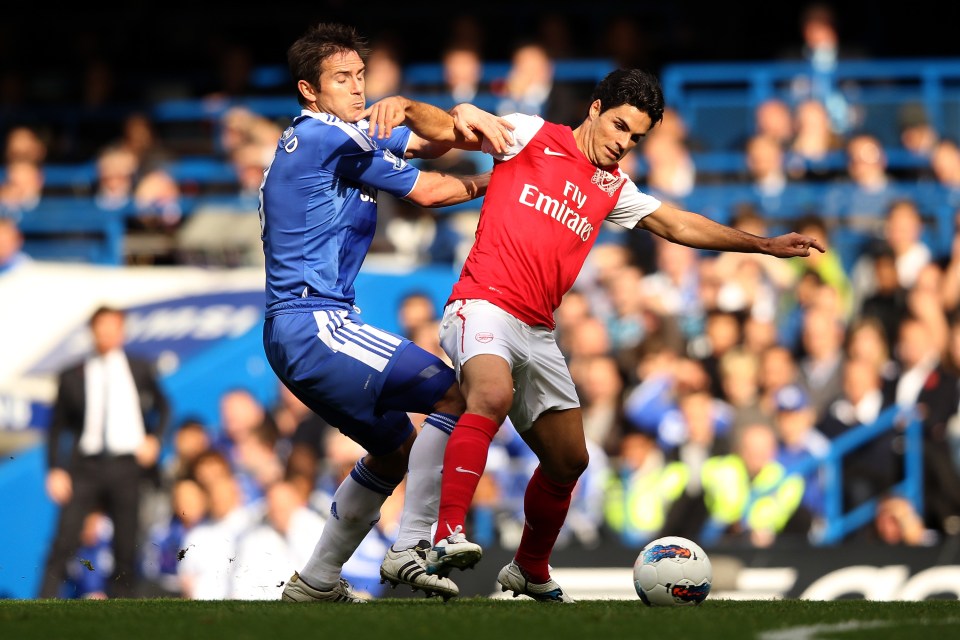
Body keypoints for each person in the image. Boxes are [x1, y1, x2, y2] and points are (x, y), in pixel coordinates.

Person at [376, 67, 825, 602]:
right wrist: (407, 105)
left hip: (539, 331)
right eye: (618, 126)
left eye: (636, 138)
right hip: (482, 306)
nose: (623, 143)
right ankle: (446, 535)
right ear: (593, 109)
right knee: (490, 394)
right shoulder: (528, 135)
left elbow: (678, 224)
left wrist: (763, 245)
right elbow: (451, 129)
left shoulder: (612, 187)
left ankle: (529, 568)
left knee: (570, 460)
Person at [259, 22, 513, 604]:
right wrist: (501, 180)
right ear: (308, 90)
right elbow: (429, 190)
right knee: (450, 393)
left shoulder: (328, 137)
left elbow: (430, 143)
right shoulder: (329, 138)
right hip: (316, 321)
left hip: (296, 329)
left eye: (360, 76)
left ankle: (317, 580)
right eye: (340, 78)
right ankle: (411, 547)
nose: (355, 88)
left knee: (395, 449)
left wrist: (458, 122)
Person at [39, 305, 171, 598]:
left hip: (127, 466)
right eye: (102, 327)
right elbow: (56, 426)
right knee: (65, 539)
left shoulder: (138, 368)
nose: (108, 333)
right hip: (86, 467)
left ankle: (121, 605)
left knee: (126, 541)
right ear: (92, 331)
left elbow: (164, 407)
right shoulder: (73, 374)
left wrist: (155, 440)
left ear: (122, 331)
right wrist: (55, 469)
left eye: (113, 327)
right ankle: (42, 602)